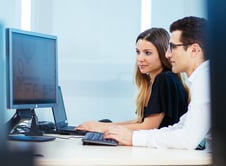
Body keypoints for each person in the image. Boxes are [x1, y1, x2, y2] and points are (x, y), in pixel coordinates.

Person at [104, 16, 211, 151]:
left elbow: (187, 139)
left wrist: (133, 138)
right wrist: (131, 135)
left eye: (172, 47)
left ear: (194, 50)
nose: (167, 54)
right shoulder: (203, 79)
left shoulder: (206, 82)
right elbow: (179, 128)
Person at [76, 28, 189, 132]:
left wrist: (103, 128)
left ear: (163, 54)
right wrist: (101, 126)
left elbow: (148, 127)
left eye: (147, 53)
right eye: (138, 52)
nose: (140, 58)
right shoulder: (154, 81)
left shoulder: (165, 79)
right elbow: (141, 121)